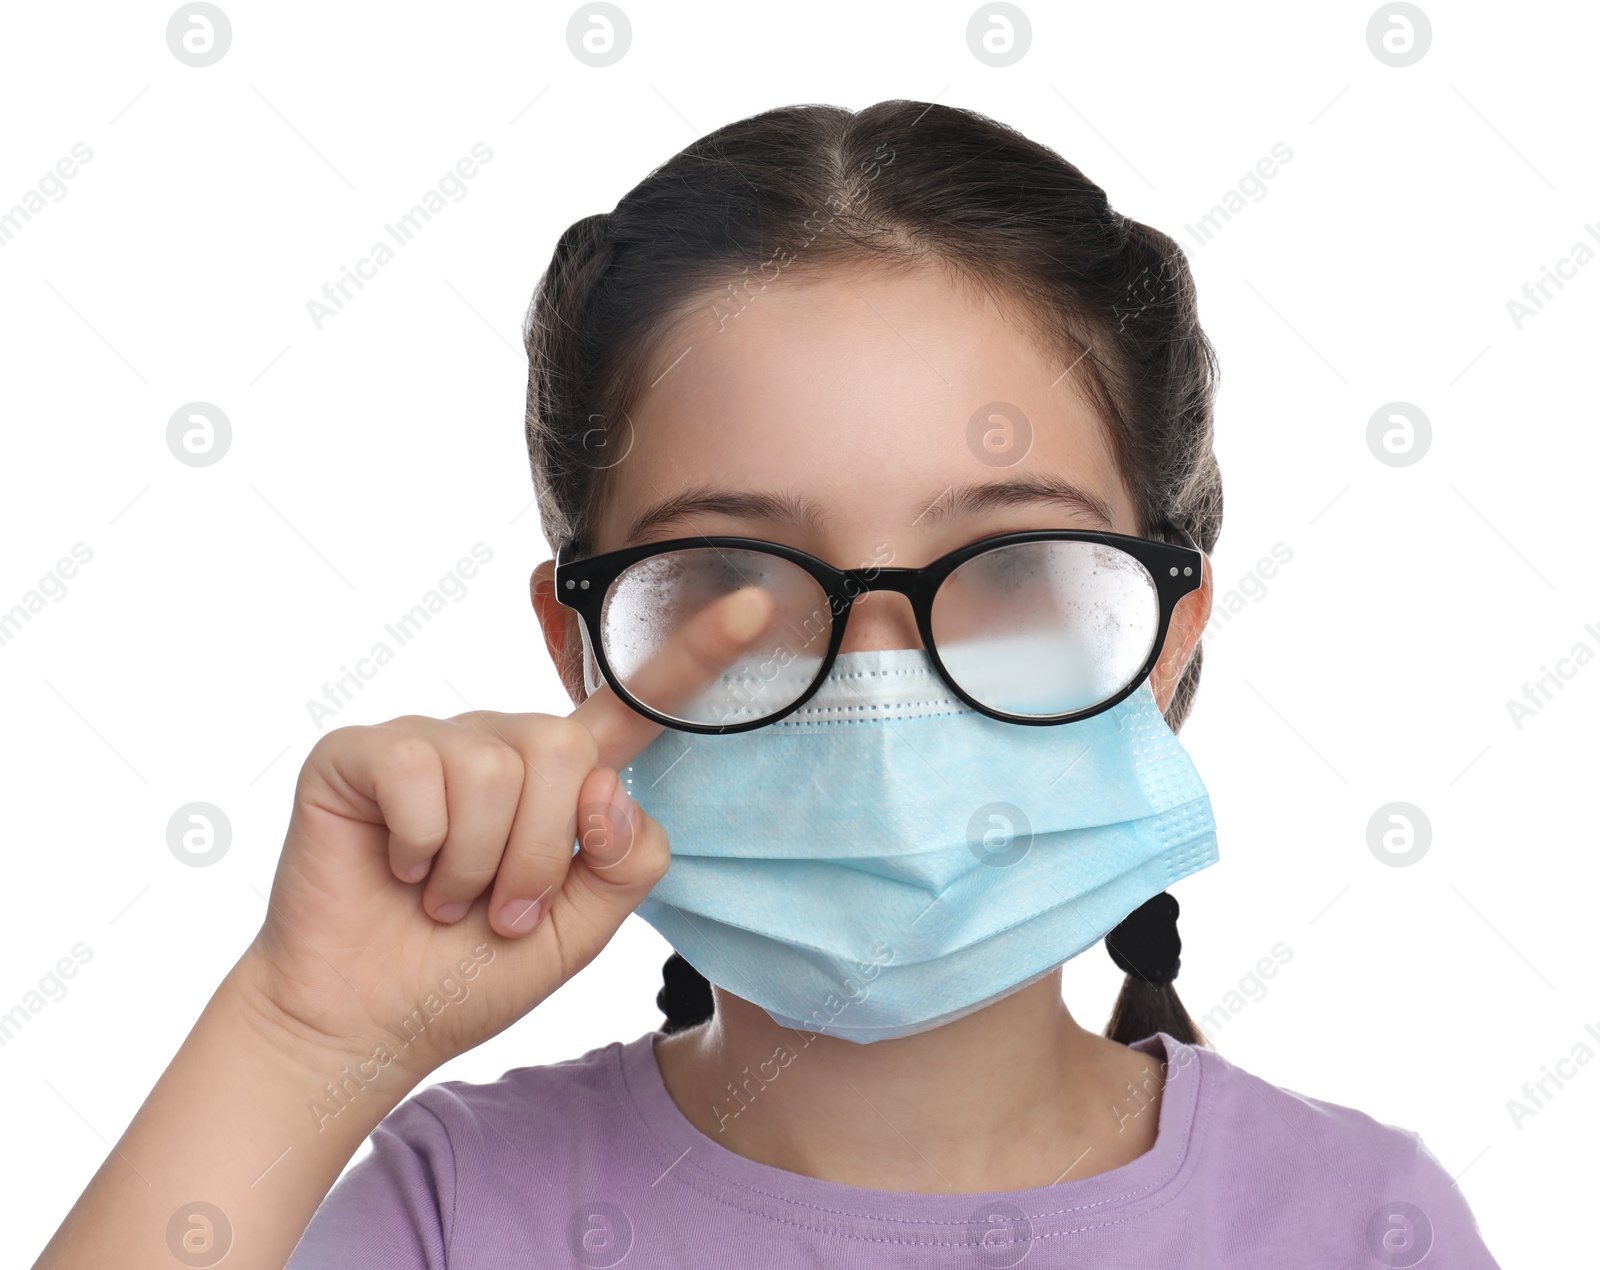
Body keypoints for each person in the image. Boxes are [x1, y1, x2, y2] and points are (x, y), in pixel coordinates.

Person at [37, 99, 1500, 1269]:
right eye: (739, 586)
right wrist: (305, 1035)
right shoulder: (452, 1217)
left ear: (1168, 631)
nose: (876, 683)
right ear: (581, 647)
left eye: (1009, 573)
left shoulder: (1364, 1225)